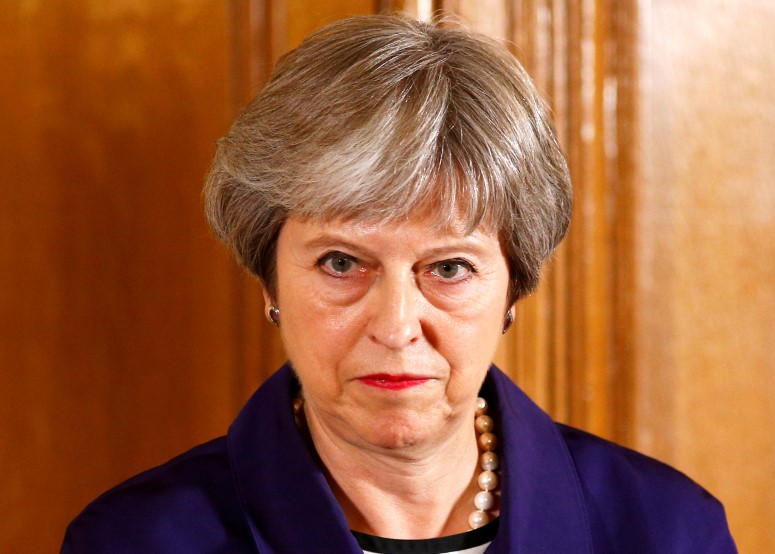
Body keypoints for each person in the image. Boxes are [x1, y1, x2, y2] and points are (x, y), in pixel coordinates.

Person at [62, 14, 737, 554]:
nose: (396, 325)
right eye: (340, 263)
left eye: (448, 268)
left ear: (512, 290)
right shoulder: (133, 541)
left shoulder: (669, 532)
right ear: (268, 280)